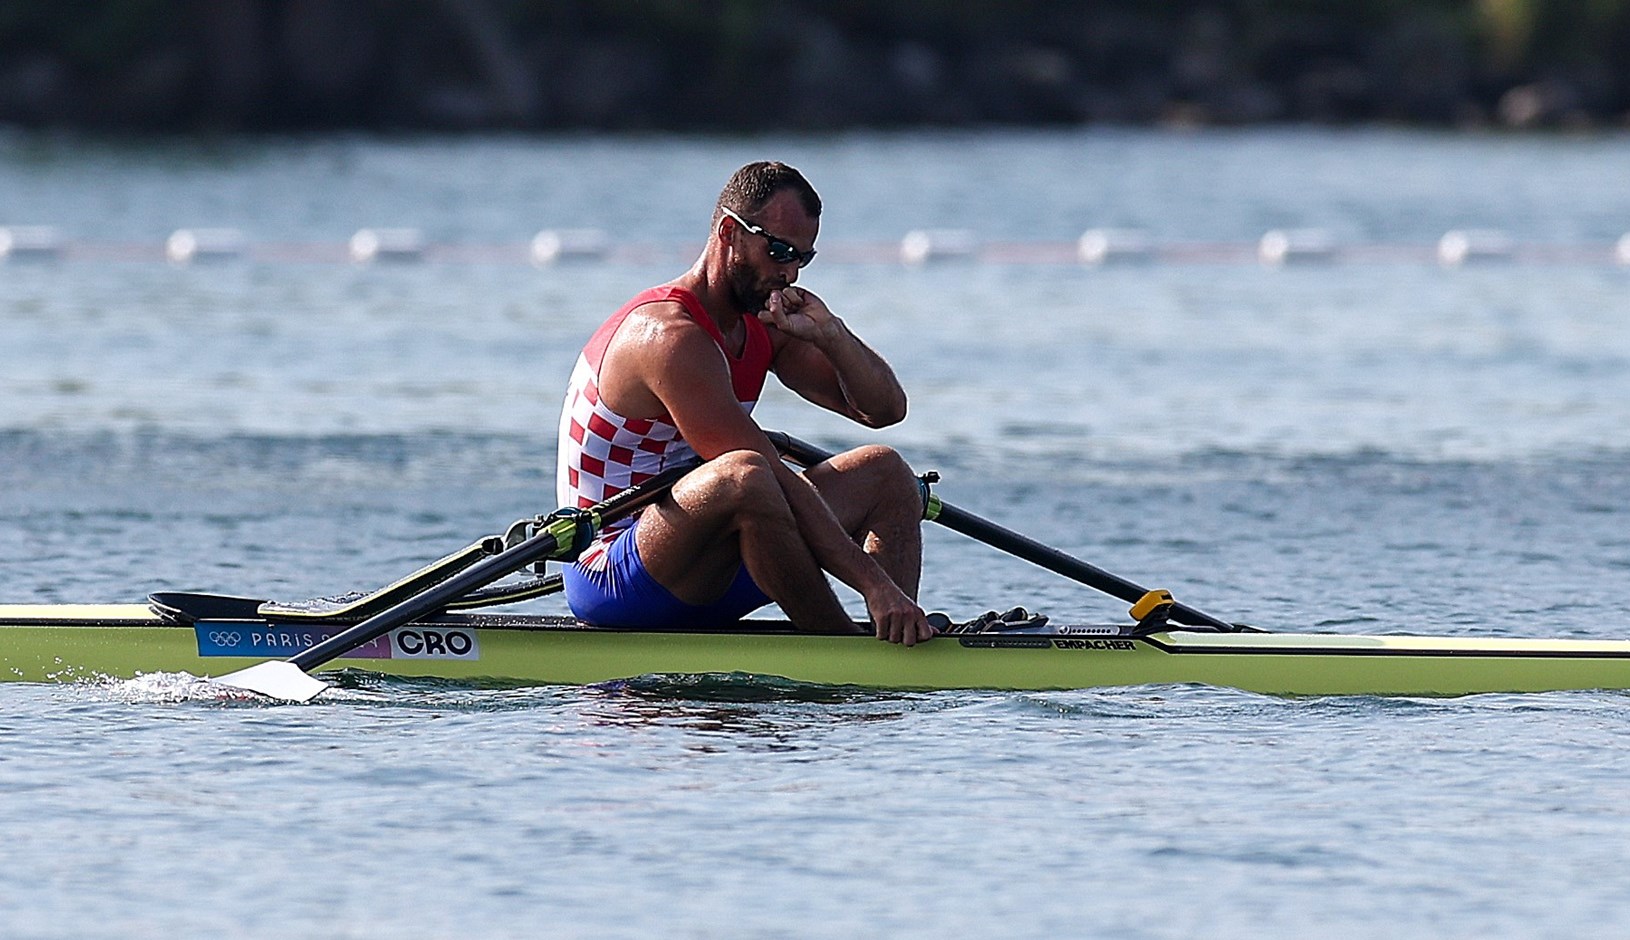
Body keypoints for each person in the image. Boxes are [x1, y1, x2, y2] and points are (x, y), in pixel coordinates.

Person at [556, 161, 933, 645]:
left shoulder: (760, 325)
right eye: (778, 251)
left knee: (885, 473)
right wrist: (873, 584)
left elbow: (884, 410)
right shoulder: (669, 337)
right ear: (730, 233)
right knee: (746, 475)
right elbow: (768, 476)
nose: (789, 271)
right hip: (615, 574)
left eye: (803, 258)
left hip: (705, 556)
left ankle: (898, 641)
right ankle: (841, 647)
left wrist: (832, 335)